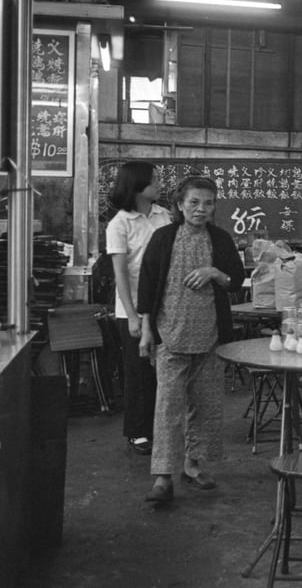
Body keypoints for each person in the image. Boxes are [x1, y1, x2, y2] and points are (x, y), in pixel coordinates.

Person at [137, 177, 245, 504]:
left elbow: (236, 281)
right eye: (194, 202)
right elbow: (147, 284)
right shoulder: (163, 238)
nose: (201, 209)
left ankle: (192, 465)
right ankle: (162, 476)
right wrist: (145, 330)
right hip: (170, 336)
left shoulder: (221, 240)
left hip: (210, 337)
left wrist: (214, 272)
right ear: (180, 204)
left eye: (208, 203)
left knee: (205, 405)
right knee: (168, 406)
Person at [105, 162, 173, 456]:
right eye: (154, 180)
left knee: (164, 370)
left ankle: (161, 427)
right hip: (132, 308)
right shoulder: (119, 224)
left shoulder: (164, 215)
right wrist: (132, 316)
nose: (159, 184)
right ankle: (137, 431)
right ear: (137, 185)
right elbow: (120, 274)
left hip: (163, 305)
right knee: (138, 371)